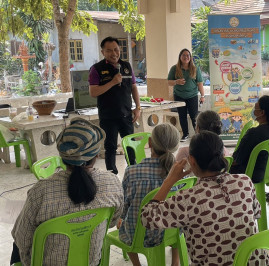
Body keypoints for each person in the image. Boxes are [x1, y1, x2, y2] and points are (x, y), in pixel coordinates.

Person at [141, 131, 267, 265]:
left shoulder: (189, 198)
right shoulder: (244, 181)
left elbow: (147, 217)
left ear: (192, 161)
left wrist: (169, 180)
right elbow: (256, 213)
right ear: (223, 155)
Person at [11, 118, 123, 266]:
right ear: (96, 155)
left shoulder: (41, 191)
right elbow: (112, 222)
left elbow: (22, 238)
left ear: (62, 156)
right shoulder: (112, 182)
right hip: (91, 262)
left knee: (17, 242)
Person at [118, 123, 181, 266]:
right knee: (179, 220)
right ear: (176, 146)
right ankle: (175, 262)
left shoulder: (132, 172)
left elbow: (124, 205)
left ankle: (137, 264)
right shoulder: (181, 173)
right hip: (169, 232)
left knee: (122, 224)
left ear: (150, 143)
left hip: (137, 236)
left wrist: (121, 218)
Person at [89, 36, 141, 174]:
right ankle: (112, 174)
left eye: (116, 50)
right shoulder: (96, 69)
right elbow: (93, 92)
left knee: (130, 144)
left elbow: (134, 87)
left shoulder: (126, 66)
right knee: (110, 146)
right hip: (108, 116)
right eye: (109, 50)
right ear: (103, 52)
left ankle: (133, 171)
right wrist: (112, 82)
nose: (114, 53)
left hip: (126, 114)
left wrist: (138, 108)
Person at [230, 95, 269, 184]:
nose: (253, 111)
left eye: (255, 109)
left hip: (247, 174)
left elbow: (235, 161)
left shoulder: (254, 133)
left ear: (262, 112)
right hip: (267, 172)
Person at [168, 49, 205, 142]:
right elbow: (169, 82)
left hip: (192, 95)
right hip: (179, 96)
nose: (186, 57)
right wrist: (176, 81)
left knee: (194, 116)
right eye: (184, 55)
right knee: (182, 115)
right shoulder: (174, 68)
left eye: (188, 55)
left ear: (190, 57)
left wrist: (203, 96)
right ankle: (185, 134)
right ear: (180, 57)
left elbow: (200, 83)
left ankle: (198, 135)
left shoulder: (195, 68)